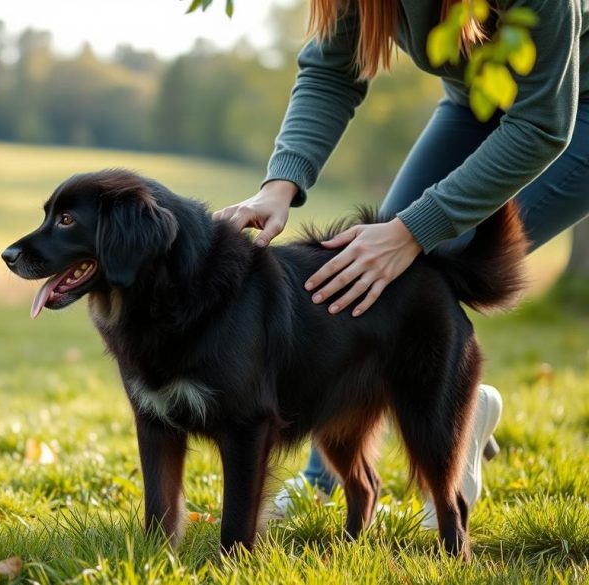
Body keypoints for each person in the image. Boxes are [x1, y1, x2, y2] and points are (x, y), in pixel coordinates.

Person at [213, 0, 589, 525]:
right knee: (373, 286)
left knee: (434, 271)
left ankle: (451, 415)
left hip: (570, 109)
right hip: (474, 99)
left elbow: (542, 124)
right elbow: (331, 69)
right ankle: (334, 476)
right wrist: (280, 185)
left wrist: (413, 230)